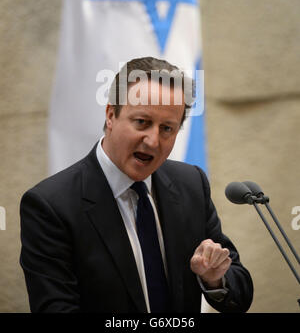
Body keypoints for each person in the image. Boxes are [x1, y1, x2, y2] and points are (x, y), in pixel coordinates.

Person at [20, 56, 253, 313]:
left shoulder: (191, 185)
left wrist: (214, 279)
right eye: (142, 122)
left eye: (167, 128)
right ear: (111, 115)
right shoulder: (51, 205)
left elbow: (239, 295)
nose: (153, 141)